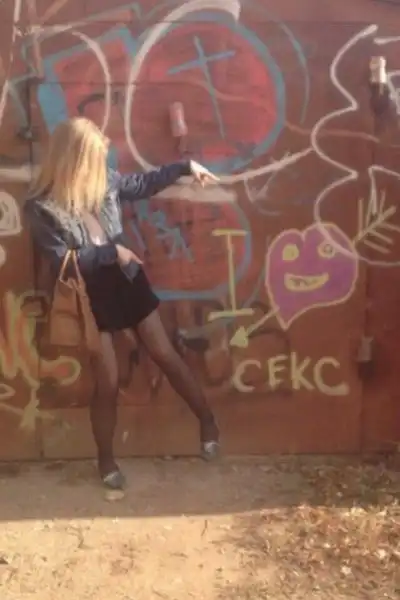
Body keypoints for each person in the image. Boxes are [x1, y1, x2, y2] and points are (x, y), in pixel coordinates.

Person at [24, 117, 220, 490]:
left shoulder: (106, 182)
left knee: (164, 353)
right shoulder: (41, 207)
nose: (101, 166)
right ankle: (106, 461)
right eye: (94, 159)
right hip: (89, 294)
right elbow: (63, 261)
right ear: (75, 161)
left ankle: (208, 422)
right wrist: (112, 253)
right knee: (108, 381)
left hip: (127, 280)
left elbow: (143, 184)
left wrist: (185, 167)